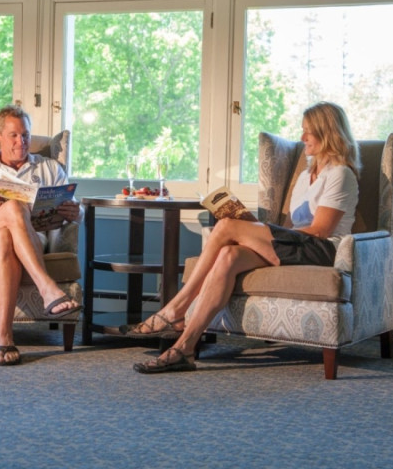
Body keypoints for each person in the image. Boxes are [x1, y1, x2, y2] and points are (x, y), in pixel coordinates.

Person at [125, 101, 361, 374]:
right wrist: (258, 228)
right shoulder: (307, 174)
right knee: (229, 255)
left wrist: (259, 232)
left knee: (226, 226)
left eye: (309, 132)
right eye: (302, 131)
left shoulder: (341, 174)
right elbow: (293, 225)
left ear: (327, 132)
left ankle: (176, 309)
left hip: (321, 250)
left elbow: (320, 230)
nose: (302, 138)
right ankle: (184, 349)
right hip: (296, 245)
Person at [0, 104, 83, 366]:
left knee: (5, 237)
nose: (21, 141)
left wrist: (75, 211)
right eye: (13, 135)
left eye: (25, 134)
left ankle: (3, 336)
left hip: (30, 237)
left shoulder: (49, 168)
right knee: (13, 207)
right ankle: (48, 289)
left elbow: (77, 213)